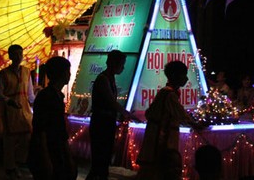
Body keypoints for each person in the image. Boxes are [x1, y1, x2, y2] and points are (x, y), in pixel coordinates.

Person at [136, 60, 203, 180]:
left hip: (155, 136)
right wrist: (196, 124)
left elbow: (150, 113)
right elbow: (182, 115)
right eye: (183, 75)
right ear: (174, 76)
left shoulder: (164, 92)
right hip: (162, 139)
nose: (186, 79)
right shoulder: (170, 94)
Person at [86, 50, 135, 180]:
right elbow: (111, 102)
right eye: (122, 64)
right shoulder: (103, 79)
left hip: (106, 122)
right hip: (101, 123)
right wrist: (127, 114)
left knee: (103, 159)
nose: (123, 67)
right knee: (100, 158)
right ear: (114, 63)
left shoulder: (109, 78)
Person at [27, 56, 77, 180]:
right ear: (63, 73)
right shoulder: (47, 96)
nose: (69, 75)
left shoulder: (56, 96)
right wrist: (46, 158)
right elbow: (41, 129)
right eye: (68, 71)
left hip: (53, 149)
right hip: (48, 150)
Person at [0, 44, 36, 180]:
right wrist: (8, 101)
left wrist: (36, 104)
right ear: (10, 56)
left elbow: (30, 94)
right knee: (10, 142)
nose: (19, 57)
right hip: (10, 112)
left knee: (26, 138)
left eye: (20, 54)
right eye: (16, 54)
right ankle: (10, 168)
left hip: (24, 111)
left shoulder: (26, 71)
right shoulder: (4, 73)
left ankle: (18, 163)